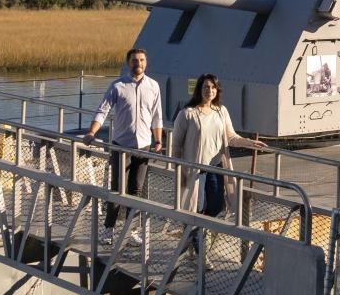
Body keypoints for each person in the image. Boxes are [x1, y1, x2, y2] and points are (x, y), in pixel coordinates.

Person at [84, 48, 164, 228]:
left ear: (146, 62)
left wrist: (158, 140)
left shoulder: (153, 86)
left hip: (143, 146)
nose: (139, 64)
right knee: (117, 188)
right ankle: (109, 229)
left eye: (142, 60)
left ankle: (131, 229)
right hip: (121, 145)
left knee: (136, 190)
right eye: (135, 60)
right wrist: (91, 132)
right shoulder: (118, 86)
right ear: (128, 63)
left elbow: (157, 116)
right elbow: (102, 110)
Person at [174, 73, 266, 216]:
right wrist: (180, 171)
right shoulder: (187, 114)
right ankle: (193, 236)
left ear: (217, 90)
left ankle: (203, 232)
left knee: (216, 205)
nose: (209, 91)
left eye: (213, 87)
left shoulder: (221, 111)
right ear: (199, 89)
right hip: (195, 169)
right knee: (193, 208)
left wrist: (250, 143)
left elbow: (231, 137)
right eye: (206, 87)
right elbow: (176, 145)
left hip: (216, 168)